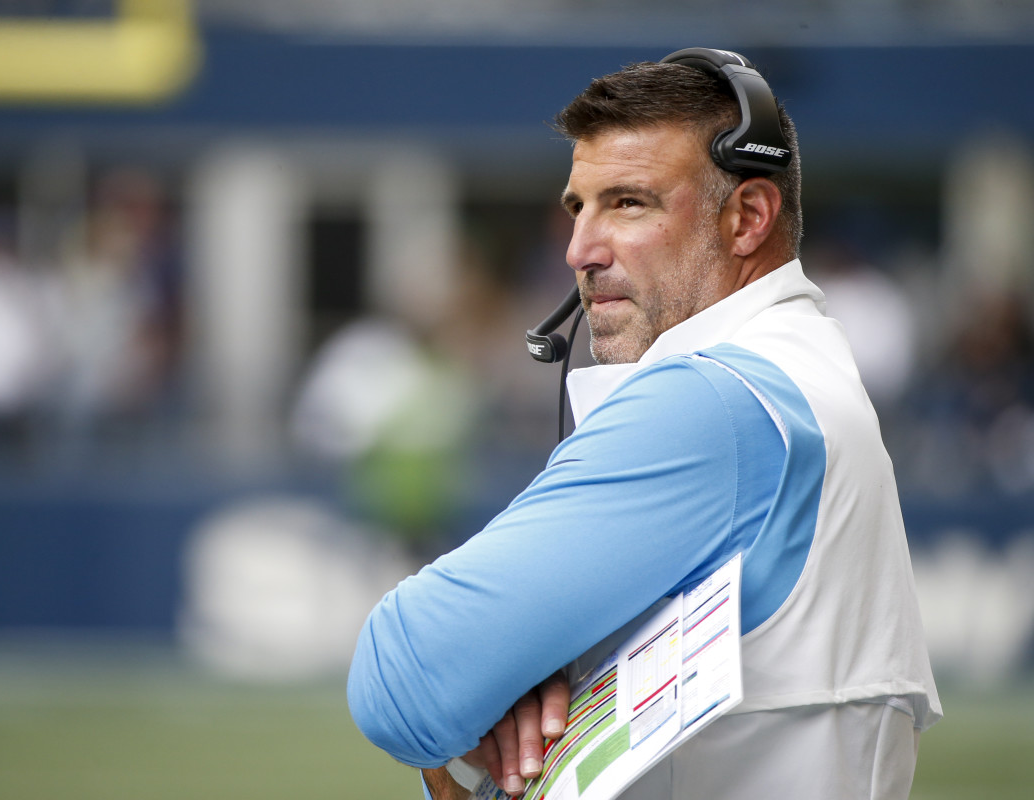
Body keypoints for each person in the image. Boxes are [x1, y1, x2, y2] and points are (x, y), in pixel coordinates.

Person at [347, 49, 941, 800]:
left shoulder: (711, 401)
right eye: (578, 207)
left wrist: (493, 686)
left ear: (749, 217)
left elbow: (403, 680)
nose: (579, 251)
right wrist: (530, 672)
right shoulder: (799, 370)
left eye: (628, 203)